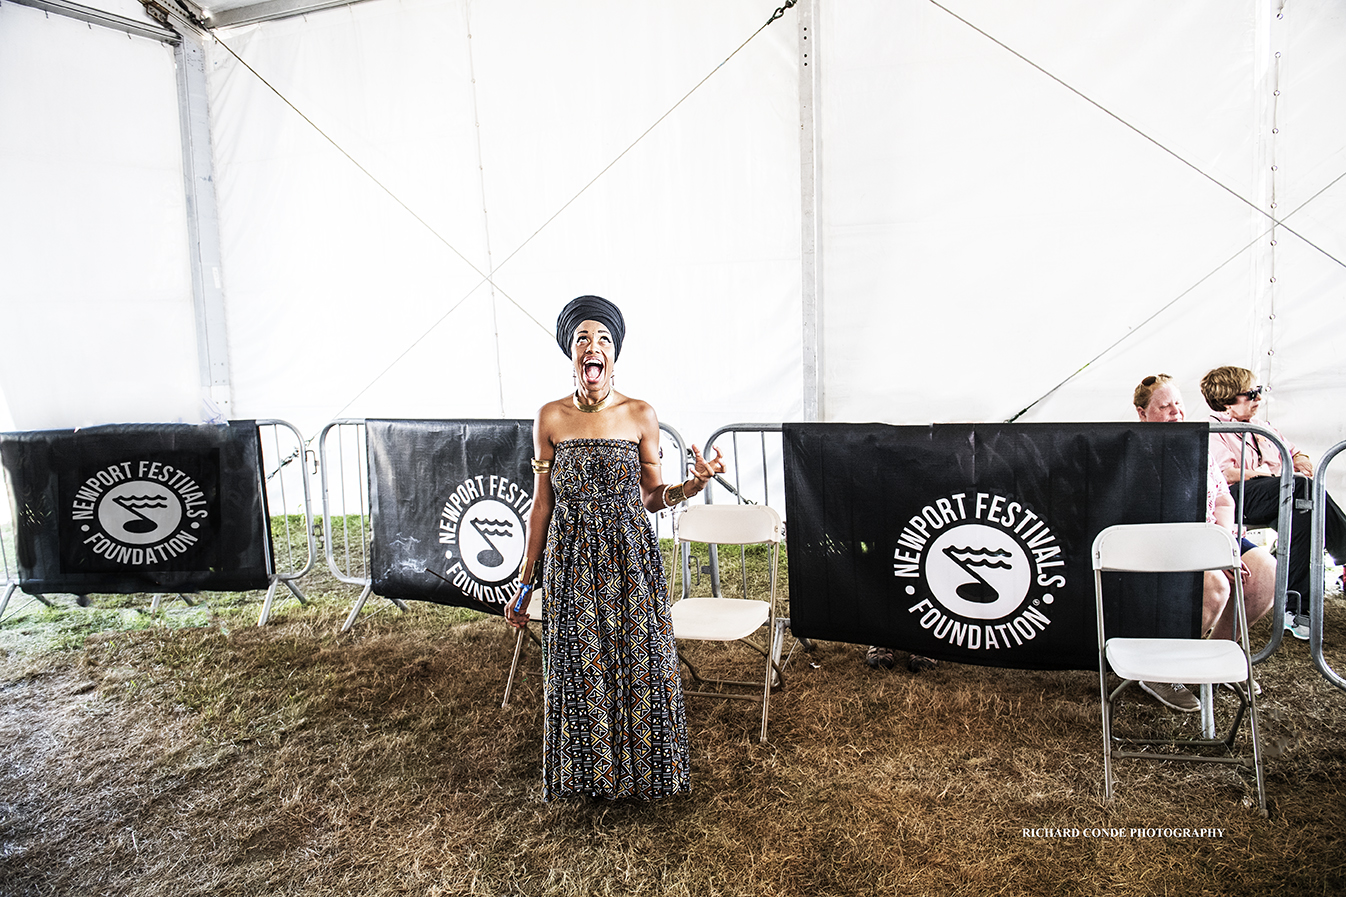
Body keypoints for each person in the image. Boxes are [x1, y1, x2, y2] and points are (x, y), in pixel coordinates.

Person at [505, 295, 725, 801]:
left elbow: (652, 496)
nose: (592, 347)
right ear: (571, 353)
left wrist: (693, 486)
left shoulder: (640, 415)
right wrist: (524, 580)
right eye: (582, 339)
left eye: (602, 338)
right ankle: (588, 776)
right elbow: (542, 505)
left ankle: (646, 774)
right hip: (572, 559)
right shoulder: (549, 418)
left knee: (638, 661)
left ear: (615, 353)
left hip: (629, 559)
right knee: (581, 665)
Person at [1132, 374, 1276, 711]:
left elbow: (1224, 502)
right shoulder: (1134, 449)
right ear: (1142, 413)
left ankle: (1216, 656)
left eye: (1178, 404)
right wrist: (1210, 554)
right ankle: (1158, 671)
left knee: (1266, 572)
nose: (1176, 412)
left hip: (1210, 533)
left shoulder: (1199, 444)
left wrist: (1223, 543)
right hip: (1167, 541)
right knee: (1214, 585)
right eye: (1164, 407)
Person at [1200, 365, 1346, 640]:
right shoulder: (1214, 432)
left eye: (1259, 391)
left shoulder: (1264, 428)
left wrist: (1298, 462)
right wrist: (1277, 474)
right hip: (1236, 497)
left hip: (1279, 493)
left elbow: (1295, 453)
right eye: (1251, 394)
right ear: (1226, 401)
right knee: (1301, 488)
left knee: (1301, 514)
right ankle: (1345, 554)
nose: (1258, 398)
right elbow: (1224, 474)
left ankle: (1295, 608)